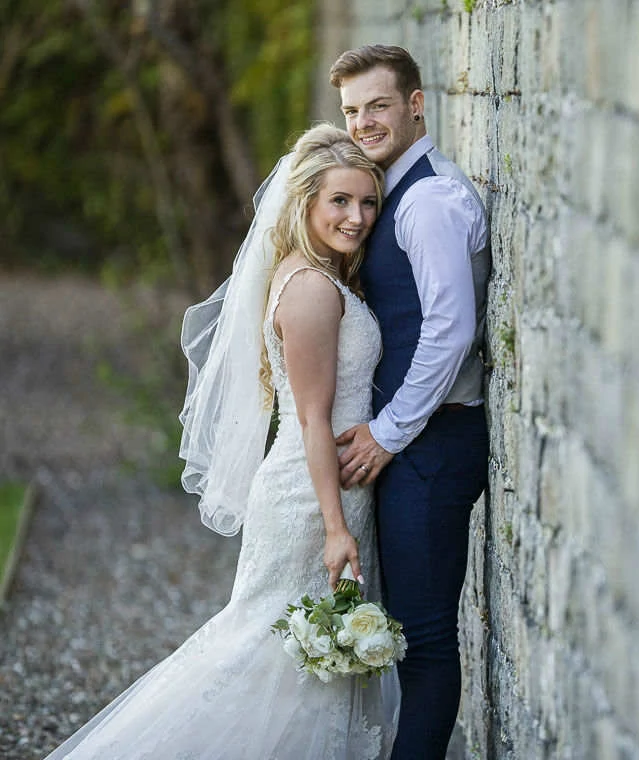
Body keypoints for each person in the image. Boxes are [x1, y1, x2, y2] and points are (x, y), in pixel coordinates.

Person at [44, 124, 400, 759]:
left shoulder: (310, 270)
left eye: (367, 201)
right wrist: (335, 527)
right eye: (339, 202)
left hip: (319, 487)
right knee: (277, 655)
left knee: (295, 659)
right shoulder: (314, 289)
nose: (357, 217)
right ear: (307, 203)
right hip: (311, 497)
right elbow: (314, 418)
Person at [330, 44, 491, 760]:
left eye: (379, 105)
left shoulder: (427, 201)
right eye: (352, 110)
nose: (364, 122)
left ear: (417, 103)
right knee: (404, 629)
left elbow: (451, 329)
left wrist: (390, 432)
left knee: (424, 639)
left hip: (434, 445)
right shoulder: (392, 191)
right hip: (414, 445)